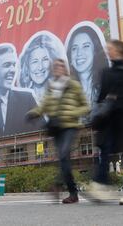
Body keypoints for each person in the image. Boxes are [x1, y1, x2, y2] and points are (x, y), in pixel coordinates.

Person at [26, 59, 89, 204]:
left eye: (61, 66)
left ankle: (58, 185)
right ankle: (73, 194)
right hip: (56, 128)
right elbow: (44, 105)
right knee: (63, 159)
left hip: (70, 125)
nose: (58, 68)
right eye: (55, 66)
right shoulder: (51, 86)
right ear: (53, 70)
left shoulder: (74, 85)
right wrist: (34, 113)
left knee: (64, 153)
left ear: (65, 68)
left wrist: (72, 112)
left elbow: (86, 107)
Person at [87, 40, 123, 205]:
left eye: (110, 49)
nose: (108, 52)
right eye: (107, 49)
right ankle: (100, 186)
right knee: (104, 151)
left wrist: (120, 102)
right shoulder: (106, 72)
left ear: (120, 51)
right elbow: (100, 97)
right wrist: (98, 112)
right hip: (108, 120)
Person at [66, 24, 109, 105]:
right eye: (74, 48)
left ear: (95, 51)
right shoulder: (67, 90)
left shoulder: (106, 84)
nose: (79, 53)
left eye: (86, 46)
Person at [19, 34, 59, 102]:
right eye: (35, 61)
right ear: (27, 66)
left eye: (45, 60)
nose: (40, 67)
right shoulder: (21, 100)